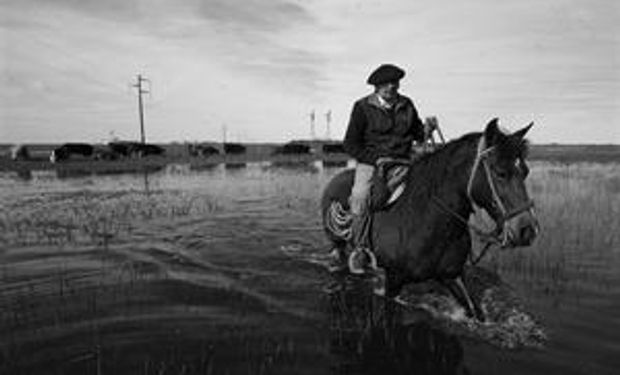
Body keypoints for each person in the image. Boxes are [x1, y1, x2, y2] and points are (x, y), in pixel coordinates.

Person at [338, 63, 428, 274]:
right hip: (372, 163)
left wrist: (427, 128)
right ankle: (360, 249)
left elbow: (418, 133)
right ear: (376, 87)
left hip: (404, 161)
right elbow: (350, 144)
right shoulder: (362, 107)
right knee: (360, 197)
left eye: (394, 83)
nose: (390, 87)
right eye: (385, 84)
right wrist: (373, 159)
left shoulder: (407, 104)